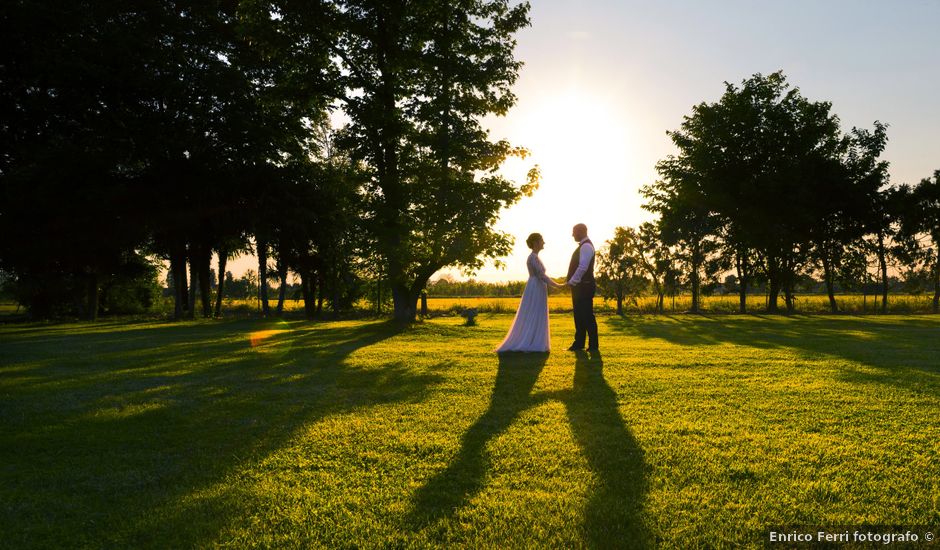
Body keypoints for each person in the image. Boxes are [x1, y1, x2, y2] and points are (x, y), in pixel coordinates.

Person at [496, 233, 562, 353]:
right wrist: (557, 285)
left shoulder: (535, 257)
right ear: (536, 242)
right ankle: (531, 341)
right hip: (536, 286)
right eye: (542, 240)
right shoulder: (533, 257)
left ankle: (534, 339)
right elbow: (541, 275)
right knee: (534, 312)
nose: (544, 243)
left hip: (537, 286)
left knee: (536, 312)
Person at [566, 223, 599, 351]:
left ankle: (593, 345)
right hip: (580, 287)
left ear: (581, 232)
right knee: (579, 316)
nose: (572, 235)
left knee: (587, 316)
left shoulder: (586, 247)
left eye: (574, 232)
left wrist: (572, 281)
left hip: (584, 286)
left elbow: (583, 267)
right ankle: (579, 343)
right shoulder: (583, 246)